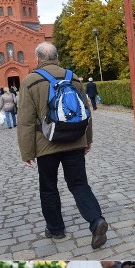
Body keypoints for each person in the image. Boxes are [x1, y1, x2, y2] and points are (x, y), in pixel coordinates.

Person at [18, 41, 108, 249]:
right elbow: (86, 111)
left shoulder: (30, 81)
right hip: (75, 140)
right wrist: (87, 140)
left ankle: (56, 228)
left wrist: (27, 152)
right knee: (79, 184)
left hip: (46, 143)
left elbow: (26, 120)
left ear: (38, 58)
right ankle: (96, 221)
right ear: (56, 57)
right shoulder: (72, 77)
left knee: (48, 187)